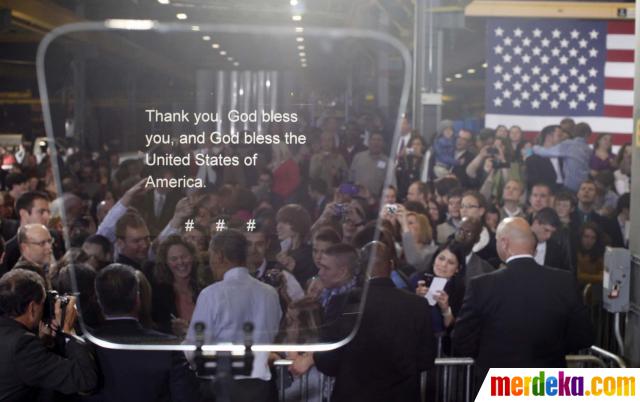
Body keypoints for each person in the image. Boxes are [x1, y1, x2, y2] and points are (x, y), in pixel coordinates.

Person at [289, 241, 437, 402]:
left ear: (362, 268)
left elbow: (328, 361)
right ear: (392, 265)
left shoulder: (344, 303)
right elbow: (426, 359)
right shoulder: (417, 305)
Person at [452, 217, 593, 382]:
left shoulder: (481, 286)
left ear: (504, 243)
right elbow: (584, 336)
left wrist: (489, 354)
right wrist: (553, 349)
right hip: (547, 384)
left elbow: (462, 340)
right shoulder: (563, 281)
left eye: (497, 241)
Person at [185, 229, 281, 402]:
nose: (211, 263)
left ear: (220, 256)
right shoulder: (270, 293)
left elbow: (195, 347)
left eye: (211, 256)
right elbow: (273, 332)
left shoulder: (211, 294)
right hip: (261, 387)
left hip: (221, 388)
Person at [93, 264, 200, 402]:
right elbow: (185, 397)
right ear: (138, 299)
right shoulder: (167, 347)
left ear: (98, 301)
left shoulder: (85, 347)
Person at [0, 269, 97, 401]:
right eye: (43, 302)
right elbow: (85, 379)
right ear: (32, 308)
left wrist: (44, 344)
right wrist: (68, 330)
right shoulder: (22, 345)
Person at [151, 235, 203, 336]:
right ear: (166, 263)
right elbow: (154, 329)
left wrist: (189, 332)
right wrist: (172, 331)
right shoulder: (158, 294)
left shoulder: (204, 290)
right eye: (174, 259)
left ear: (192, 257)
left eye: (184, 256)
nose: (180, 262)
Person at [532, 121, 592, 192]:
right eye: (559, 135)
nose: (561, 138)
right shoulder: (589, 149)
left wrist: (534, 147)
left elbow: (546, 152)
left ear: (574, 132)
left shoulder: (568, 145)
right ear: (587, 135)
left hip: (570, 187)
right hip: (584, 186)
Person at [275, 204, 316, 286]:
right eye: (279, 222)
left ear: (299, 224)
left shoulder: (308, 255)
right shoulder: (284, 253)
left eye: (286, 222)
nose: (279, 227)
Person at [531, 208, 572, 272]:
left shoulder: (556, 250)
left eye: (552, 232)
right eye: (546, 230)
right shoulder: (516, 241)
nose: (549, 236)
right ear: (536, 223)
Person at [349, 132, 389, 196]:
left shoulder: (388, 163)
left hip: (375, 200)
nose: (376, 142)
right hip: (356, 197)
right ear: (369, 142)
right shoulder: (358, 157)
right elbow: (350, 179)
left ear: (383, 143)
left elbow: (391, 186)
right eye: (373, 139)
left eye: (379, 140)